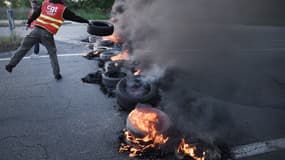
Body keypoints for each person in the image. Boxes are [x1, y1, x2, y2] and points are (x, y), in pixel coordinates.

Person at [5, 0, 89, 80]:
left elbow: (36, 13)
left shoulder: (46, 3)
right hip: (47, 34)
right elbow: (74, 17)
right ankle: (57, 74)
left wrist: (29, 22)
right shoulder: (63, 9)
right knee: (52, 53)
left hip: (36, 31)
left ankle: (10, 65)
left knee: (23, 48)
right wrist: (86, 21)